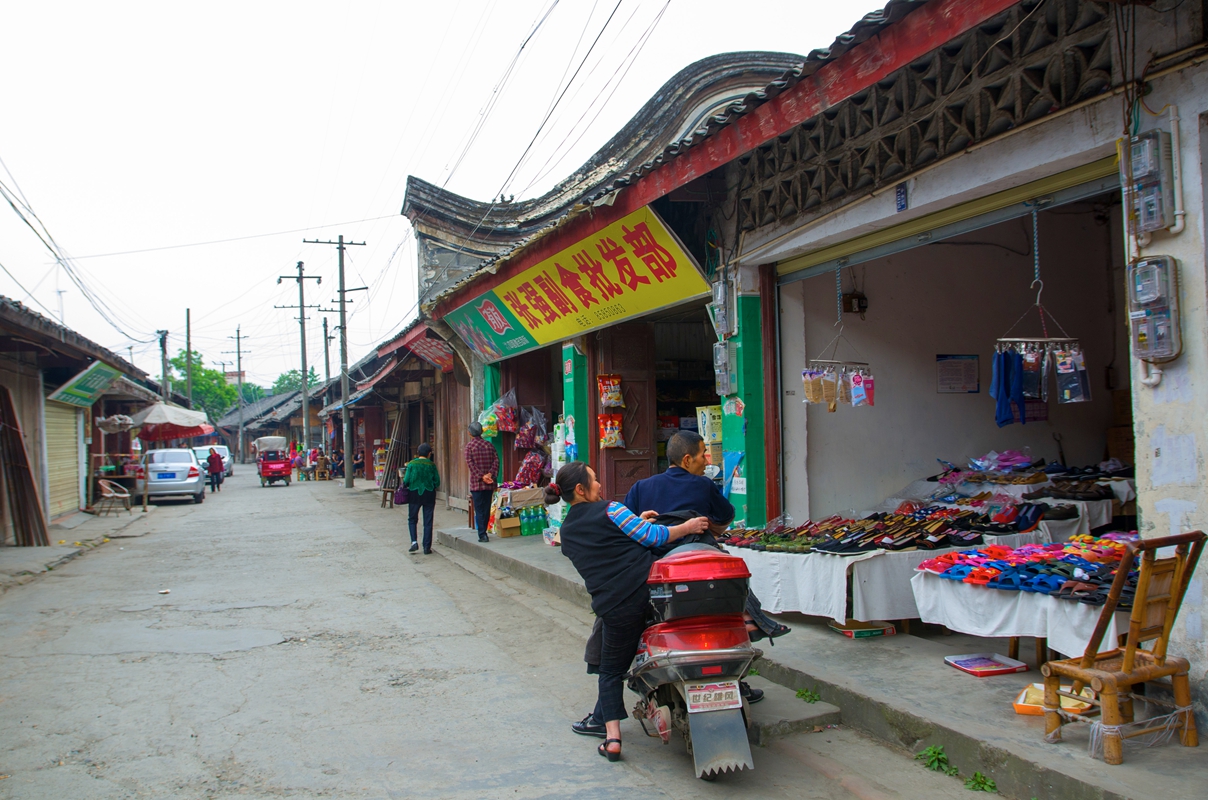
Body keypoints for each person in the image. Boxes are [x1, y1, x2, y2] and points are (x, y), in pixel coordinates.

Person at [549, 461, 709, 762]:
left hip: (615, 608)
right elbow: (655, 538)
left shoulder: (566, 533)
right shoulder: (611, 510)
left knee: (610, 671)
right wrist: (687, 527)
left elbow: (606, 547)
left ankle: (612, 738)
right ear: (581, 489)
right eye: (595, 480)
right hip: (652, 593)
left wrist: (634, 520)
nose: (600, 485)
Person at [464, 422, 499, 543]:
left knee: (479, 509)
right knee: (486, 507)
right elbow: (496, 461)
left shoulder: (469, 447)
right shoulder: (489, 445)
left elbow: (471, 465)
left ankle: (482, 534)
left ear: (469, 433)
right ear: (482, 432)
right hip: (489, 483)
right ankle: (484, 532)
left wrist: (481, 476)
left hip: (477, 484)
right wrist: (490, 474)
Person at [403, 443, 440, 554]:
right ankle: (426, 547)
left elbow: (406, 480)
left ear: (418, 453)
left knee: (412, 519)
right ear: (429, 454)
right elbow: (437, 481)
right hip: (429, 495)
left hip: (414, 494)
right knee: (428, 521)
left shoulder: (411, 464)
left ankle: (414, 542)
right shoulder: (432, 465)